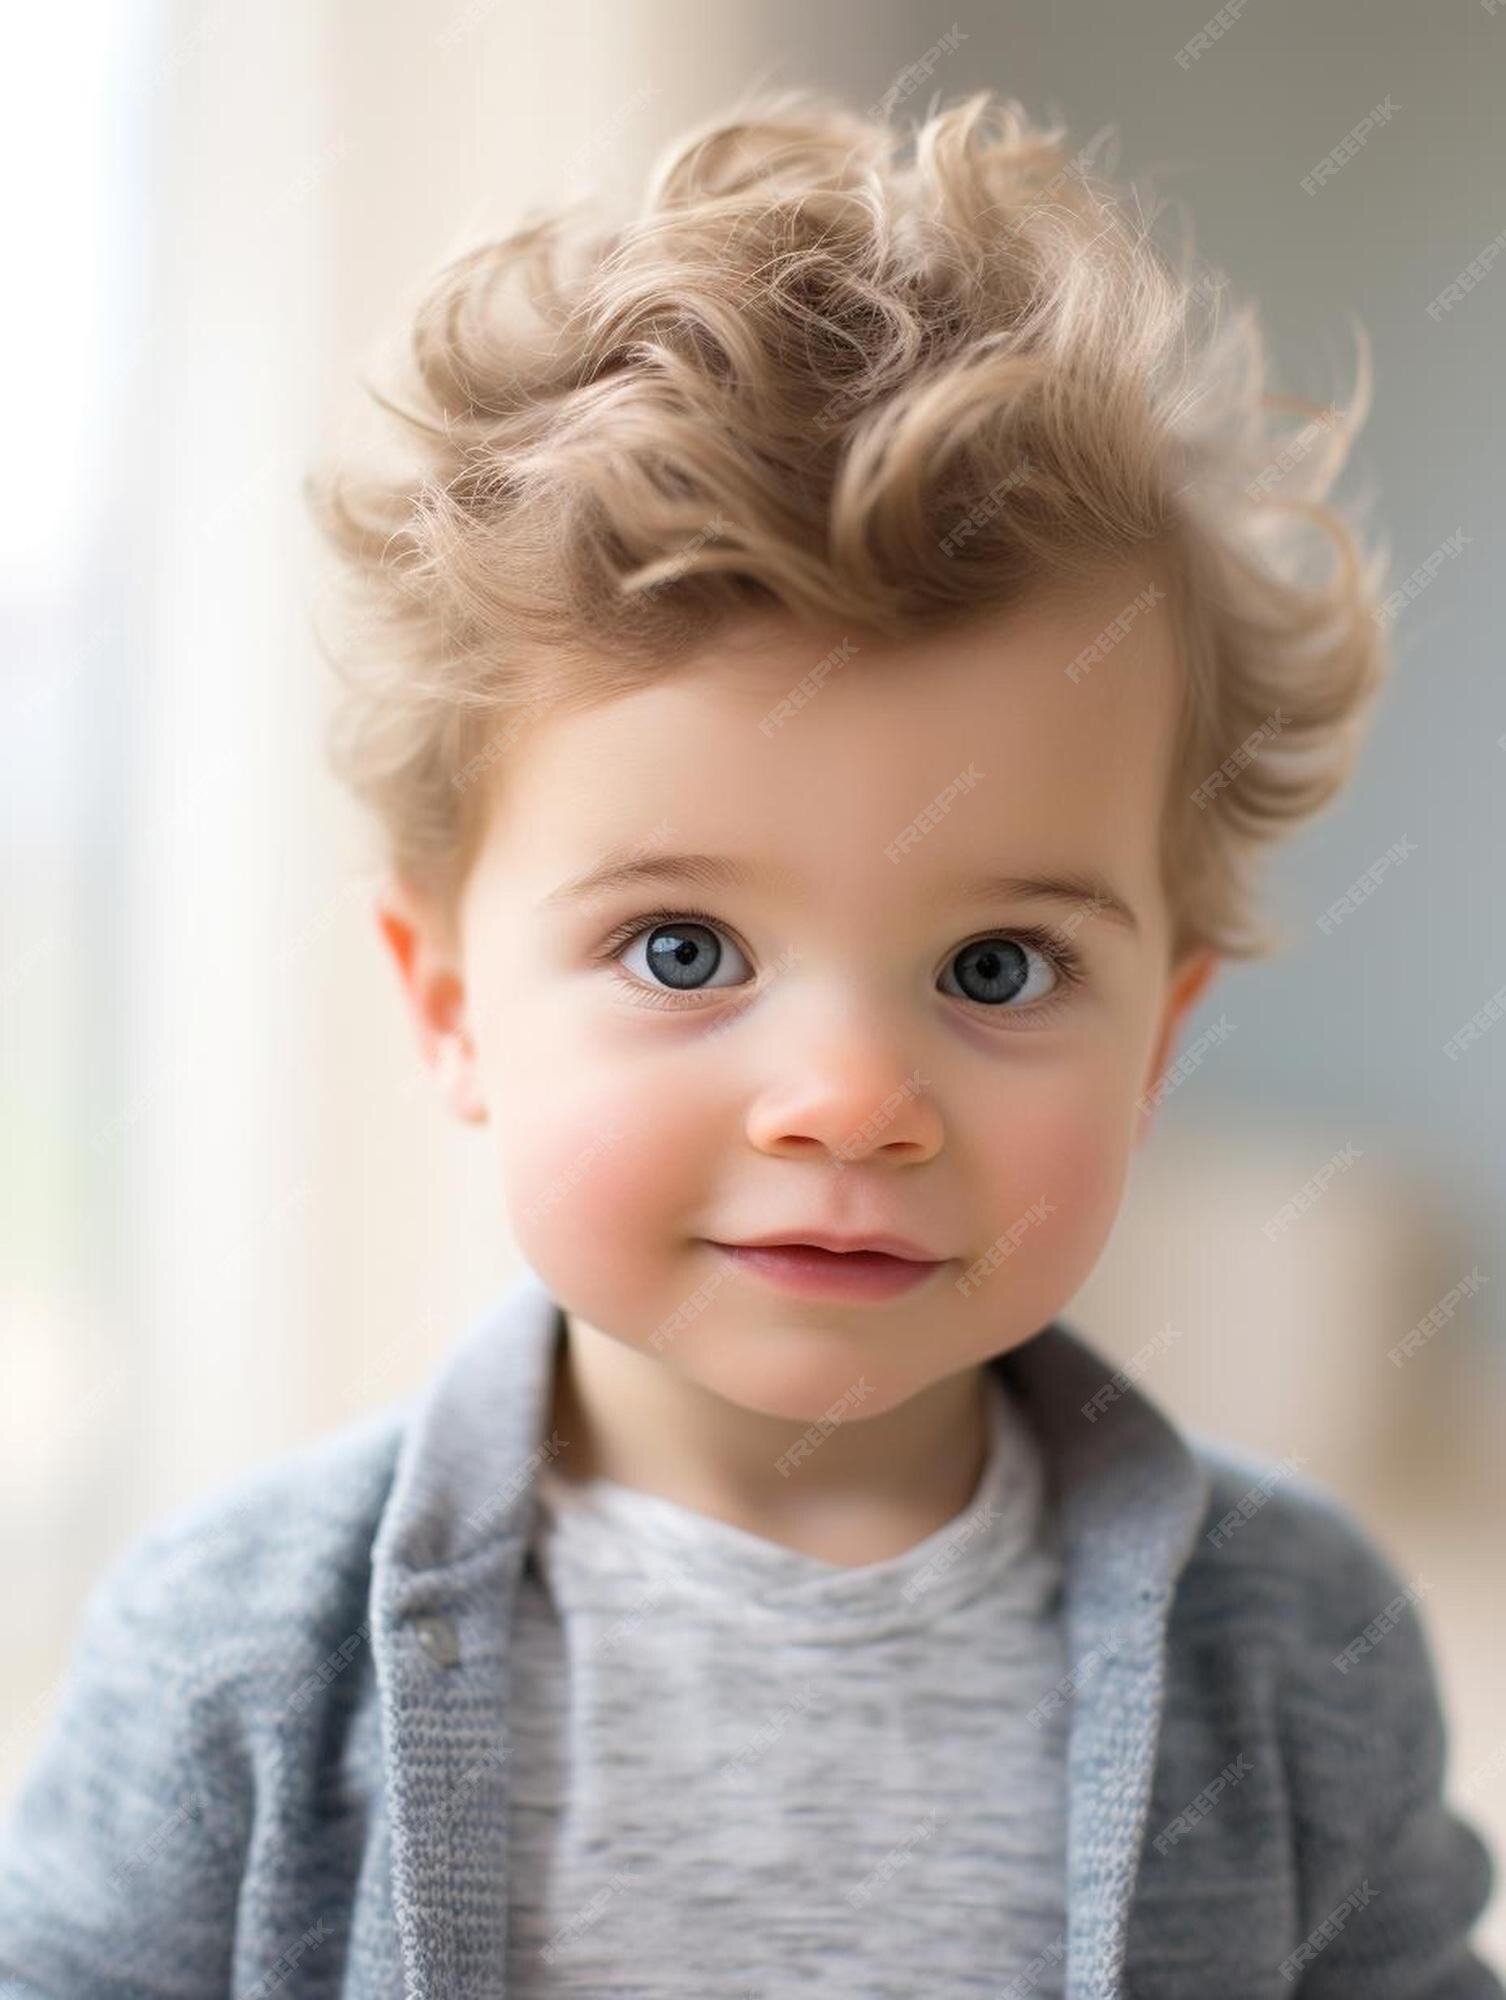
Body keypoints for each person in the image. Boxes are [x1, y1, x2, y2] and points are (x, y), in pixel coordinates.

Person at [0, 84, 1498, 1998]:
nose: (853, 1102)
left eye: (995, 971)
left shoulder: (1303, 1654)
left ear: (1159, 1034)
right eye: (686, 945)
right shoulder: (227, 1665)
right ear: (450, 1004)